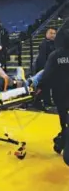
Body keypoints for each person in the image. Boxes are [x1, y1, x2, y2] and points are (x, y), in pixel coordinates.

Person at [36, 18, 69, 166]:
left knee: (64, 119)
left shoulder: (55, 56)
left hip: (60, 94)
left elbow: (47, 75)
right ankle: (62, 139)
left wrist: (40, 89)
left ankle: (62, 140)